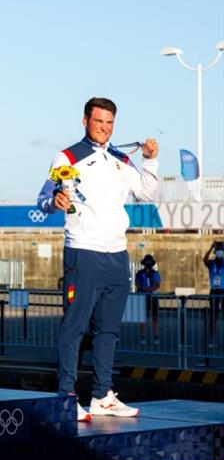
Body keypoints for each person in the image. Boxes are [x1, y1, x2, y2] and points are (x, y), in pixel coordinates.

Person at [37, 97, 159, 421]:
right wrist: (55, 199)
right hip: (84, 250)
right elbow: (43, 198)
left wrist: (150, 161)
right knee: (74, 327)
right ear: (85, 121)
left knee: (108, 331)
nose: (104, 128)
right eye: (98, 121)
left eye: (109, 123)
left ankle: (102, 395)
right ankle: (66, 395)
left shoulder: (121, 160)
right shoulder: (66, 157)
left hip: (117, 254)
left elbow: (146, 193)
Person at [135, 254, 161, 345]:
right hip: (143, 296)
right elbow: (137, 283)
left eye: (149, 262)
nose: (148, 263)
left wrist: (152, 288)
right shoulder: (139, 273)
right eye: (146, 261)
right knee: (143, 318)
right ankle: (143, 336)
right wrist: (143, 288)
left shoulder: (155, 273)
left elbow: (158, 284)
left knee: (155, 317)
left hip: (153, 296)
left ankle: (156, 336)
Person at [202, 241, 224, 348]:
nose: (220, 252)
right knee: (213, 316)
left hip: (223, 290)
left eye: (222, 250)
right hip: (214, 290)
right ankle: (213, 339)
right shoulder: (211, 263)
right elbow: (204, 260)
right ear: (215, 252)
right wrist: (211, 248)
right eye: (218, 250)